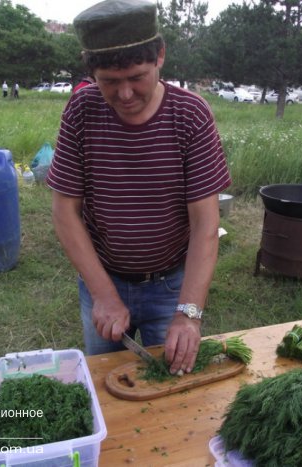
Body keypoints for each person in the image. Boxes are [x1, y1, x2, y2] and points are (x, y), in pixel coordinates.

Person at [46, 0, 231, 375]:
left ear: (160, 56)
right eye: (110, 82)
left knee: (173, 384)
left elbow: (205, 227)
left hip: (171, 286)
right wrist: (103, 294)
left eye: (137, 76)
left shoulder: (191, 115)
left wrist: (189, 314)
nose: (125, 94)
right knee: (106, 381)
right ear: (91, 70)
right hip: (103, 276)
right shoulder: (82, 109)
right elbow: (65, 211)